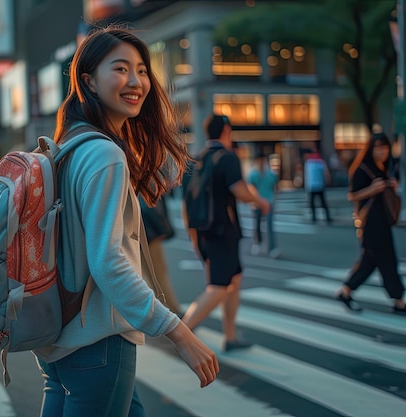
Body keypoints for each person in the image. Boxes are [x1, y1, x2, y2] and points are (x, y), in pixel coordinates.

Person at [32, 26, 219, 416]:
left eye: (142, 70)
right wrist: (179, 334)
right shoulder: (104, 155)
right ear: (90, 81)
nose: (136, 81)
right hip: (98, 342)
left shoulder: (67, 147)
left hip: (60, 340)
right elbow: (108, 261)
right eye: (120, 69)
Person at [181, 114, 270, 352]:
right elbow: (239, 191)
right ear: (226, 131)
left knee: (233, 281)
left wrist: (192, 236)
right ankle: (182, 333)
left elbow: (186, 203)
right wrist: (261, 202)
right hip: (223, 233)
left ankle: (230, 336)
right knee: (219, 287)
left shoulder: (195, 160)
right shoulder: (227, 157)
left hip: (201, 232)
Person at [336, 132, 406, 314]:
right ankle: (398, 300)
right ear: (371, 148)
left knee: (373, 261)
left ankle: (346, 291)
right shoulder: (363, 169)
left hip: (382, 221)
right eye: (378, 147)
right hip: (370, 223)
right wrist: (372, 189)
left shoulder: (383, 168)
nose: (382, 151)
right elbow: (352, 195)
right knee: (385, 260)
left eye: (385, 147)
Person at [139, 193, 182, 315]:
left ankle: (160, 311)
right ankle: (172, 312)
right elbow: (151, 204)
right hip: (149, 231)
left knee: (147, 275)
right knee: (158, 274)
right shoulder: (142, 175)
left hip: (135, 230)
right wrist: (162, 227)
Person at [247, 151, 279, 257]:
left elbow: (274, 187)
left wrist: (274, 198)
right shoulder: (253, 174)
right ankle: (257, 243)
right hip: (257, 203)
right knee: (257, 225)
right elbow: (251, 188)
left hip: (268, 202)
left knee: (269, 226)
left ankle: (272, 248)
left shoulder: (270, 174)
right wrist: (254, 200)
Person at [304, 146, 332, 224]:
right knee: (323, 202)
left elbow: (307, 175)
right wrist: (328, 180)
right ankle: (327, 217)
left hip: (311, 185)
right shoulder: (320, 161)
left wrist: (306, 185)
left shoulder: (308, 163)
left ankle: (314, 218)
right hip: (320, 184)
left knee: (312, 203)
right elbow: (326, 173)